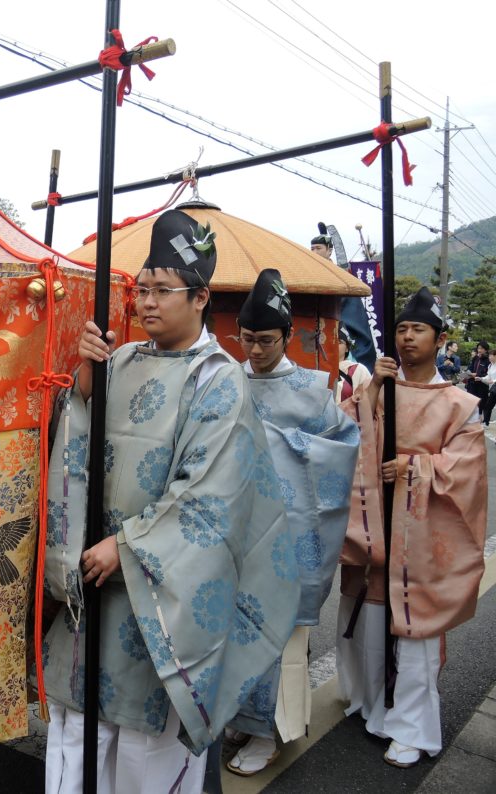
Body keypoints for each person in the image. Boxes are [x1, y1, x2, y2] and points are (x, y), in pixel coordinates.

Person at [43, 210, 299, 794]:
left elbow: (210, 499)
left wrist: (128, 546)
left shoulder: (220, 381)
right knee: (78, 735)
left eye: (163, 290)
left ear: (201, 296)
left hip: (158, 604)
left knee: (142, 754)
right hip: (95, 582)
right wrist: (84, 384)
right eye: (142, 289)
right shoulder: (122, 359)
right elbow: (77, 439)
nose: (147, 303)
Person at [336, 286, 487, 768]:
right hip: (376, 527)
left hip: (421, 535)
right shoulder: (380, 391)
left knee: (415, 634)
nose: (406, 337)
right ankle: (373, 705)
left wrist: (410, 469)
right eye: (401, 329)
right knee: (371, 626)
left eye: (418, 329)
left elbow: (465, 469)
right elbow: (342, 435)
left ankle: (412, 726)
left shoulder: (460, 403)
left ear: (440, 340)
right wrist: (374, 392)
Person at [225, 270, 360, 776]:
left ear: (286, 337)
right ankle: (240, 717)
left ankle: (273, 732)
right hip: (233, 536)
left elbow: (339, 455)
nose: (255, 350)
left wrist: (276, 447)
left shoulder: (314, 391)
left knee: (280, 638)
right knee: (232, 630)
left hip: (288, 539)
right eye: (248, 339)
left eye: (266, 340)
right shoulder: (227, 380)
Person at [311, 223, 377, 371]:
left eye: (319, 248)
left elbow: (355, 324)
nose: (314, 252)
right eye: (312, 248)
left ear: (329, 251)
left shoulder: (341, 278)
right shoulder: (308, 276)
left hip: (340, 345)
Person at [334, 325, 372, 403]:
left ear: (347, 348)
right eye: (331, 341)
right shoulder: (318, 368)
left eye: (339, 342)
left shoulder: (359, 370)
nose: (334, 345)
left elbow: (369, 400)